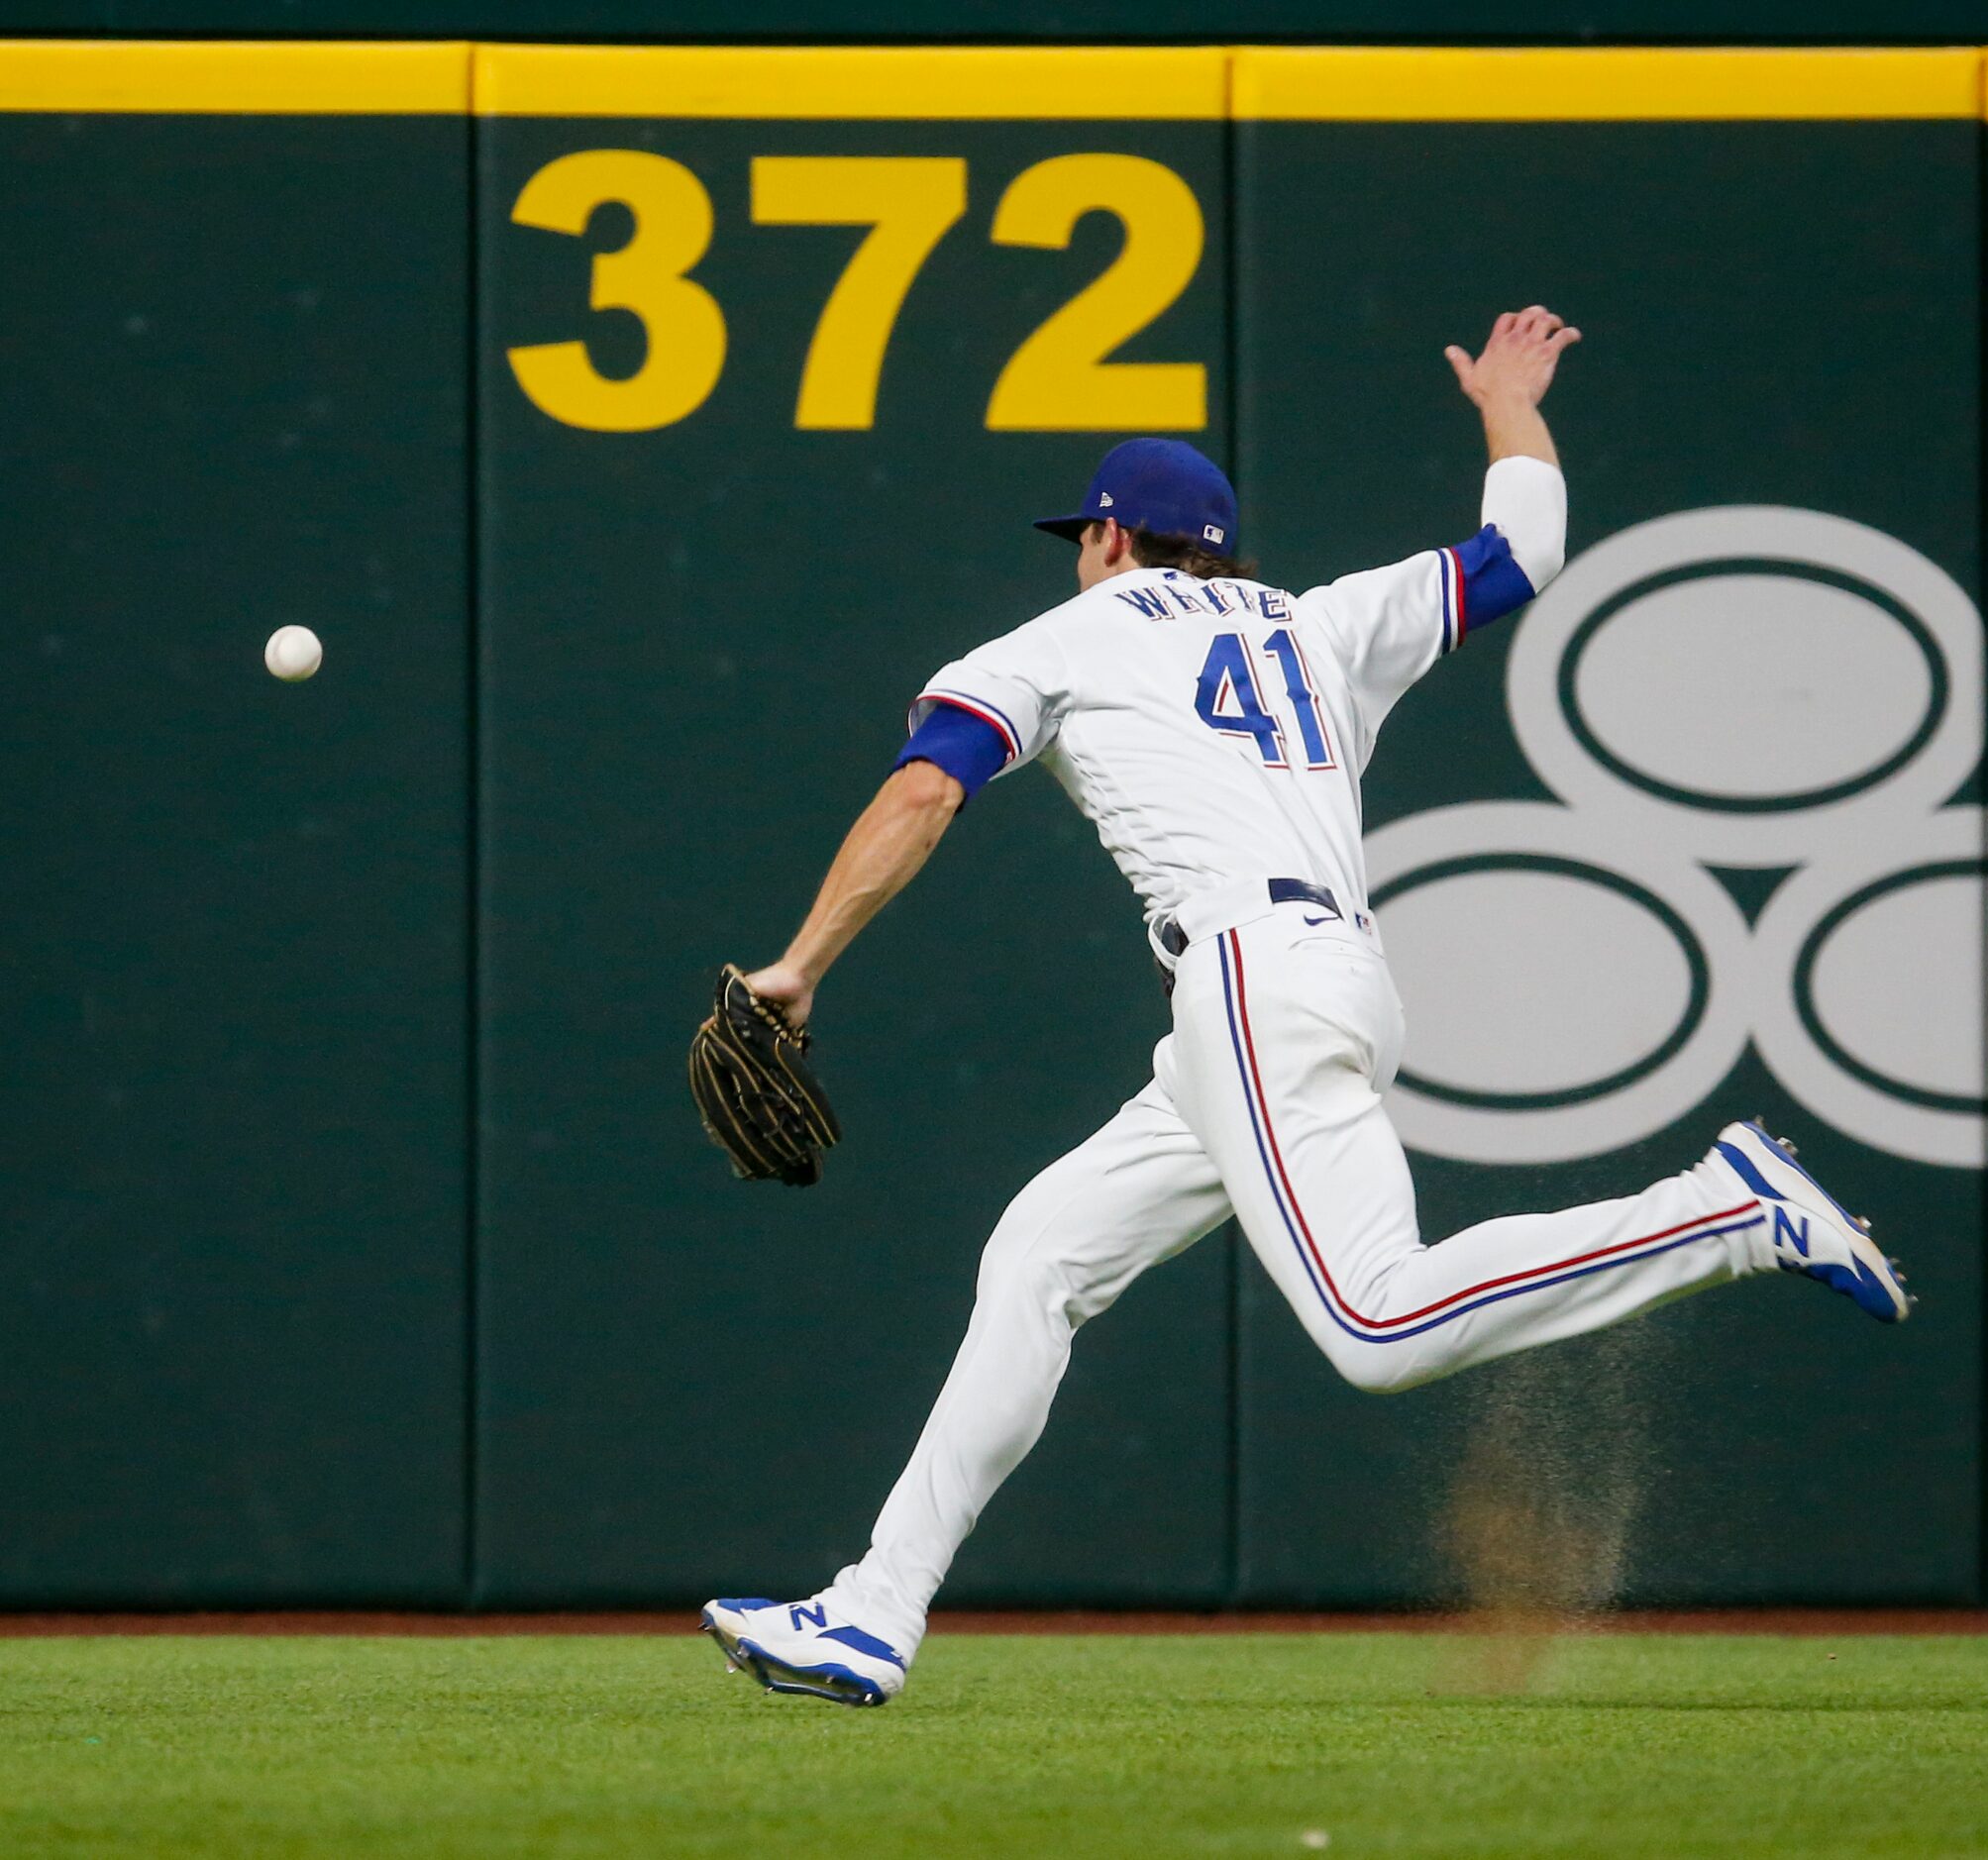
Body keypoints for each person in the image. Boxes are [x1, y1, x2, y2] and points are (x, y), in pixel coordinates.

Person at [700, 307, 1910, 1707]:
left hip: (1249, 987)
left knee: (1377, 1325)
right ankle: (872, 1611)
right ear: (1215, 549)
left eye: (1083, 539)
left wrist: (795, 967)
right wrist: (1511, 408)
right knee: (1039, 1257)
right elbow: (1525, 548)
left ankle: (1727, 1209)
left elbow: (925, 789)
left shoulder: (1059, 638)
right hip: (1308, 984)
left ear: (1103, 540)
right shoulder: (1318, 621)